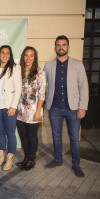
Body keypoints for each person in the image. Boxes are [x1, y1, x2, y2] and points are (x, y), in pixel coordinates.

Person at [44, 35, 89, 177]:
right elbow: (40, 84)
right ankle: (58, 159)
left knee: (74, 137)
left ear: (68, 47)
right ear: (55, 47)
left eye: (64, 45)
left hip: (73, 108)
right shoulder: (49, 65)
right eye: (58, 45)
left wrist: (83, 107)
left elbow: (83, 86)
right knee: (56, 136)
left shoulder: (77, 64)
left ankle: (76, 164)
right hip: (55, 107)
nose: (61, 47)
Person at [0, 45, 22, 171]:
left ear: (10, 55)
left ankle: (10, 157)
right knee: (0, 132)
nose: (5, 55)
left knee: (10, 132)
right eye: (2, 52)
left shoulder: (15, 67)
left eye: (7, 53)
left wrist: (14, 106)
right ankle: (1, 155)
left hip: (9, 106)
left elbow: (18, 88)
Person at [16, 46, 46, 170]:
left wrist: (38, 111)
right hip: (20, 109)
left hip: (34, 110)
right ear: (23, 56)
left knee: (32, 135)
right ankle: (26, 157)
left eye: (31, 55)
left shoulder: (39, 73)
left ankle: (31, 160)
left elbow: (42, 94)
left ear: (35, 58)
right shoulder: (18, 71)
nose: (28, 58)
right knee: (23, 134)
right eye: (26, 55)